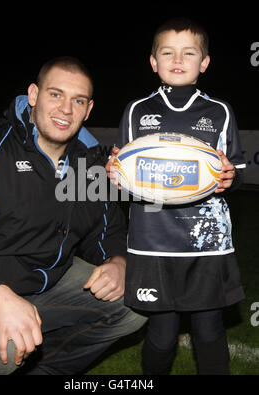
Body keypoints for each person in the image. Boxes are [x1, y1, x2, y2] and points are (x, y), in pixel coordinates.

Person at [0, 56, 147, 375]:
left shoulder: (86, 167)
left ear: (88, 111)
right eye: (55, 94)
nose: (65, 110)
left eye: (78, 101)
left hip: (49, 280)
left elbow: (108, 228)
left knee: (135, 303)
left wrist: (118, 261)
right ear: (34, 95)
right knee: (2, 348)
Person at [106, 18, 245, 375]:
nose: (177, 59)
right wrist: (116, 174)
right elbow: (126, 174)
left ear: (205, 62)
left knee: (209, 331)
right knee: (162, 334)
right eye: (167, 52)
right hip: (153, 243)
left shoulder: (220, 112)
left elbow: (237, 173)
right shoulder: (137, 110)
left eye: (189, 52)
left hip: (206, 245)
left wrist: (231, 176)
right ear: (154, 62)